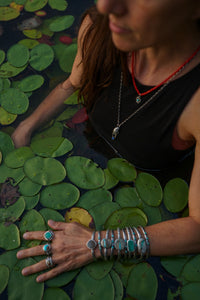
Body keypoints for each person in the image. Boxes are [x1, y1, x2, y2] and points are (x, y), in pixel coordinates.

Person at [12, 0, 200, 283]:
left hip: (147, 200)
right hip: (85, 155)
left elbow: (198, 228)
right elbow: (72, 84)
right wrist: (26, 127)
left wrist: (98, 244)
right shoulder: (98, 27)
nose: (106, 4)